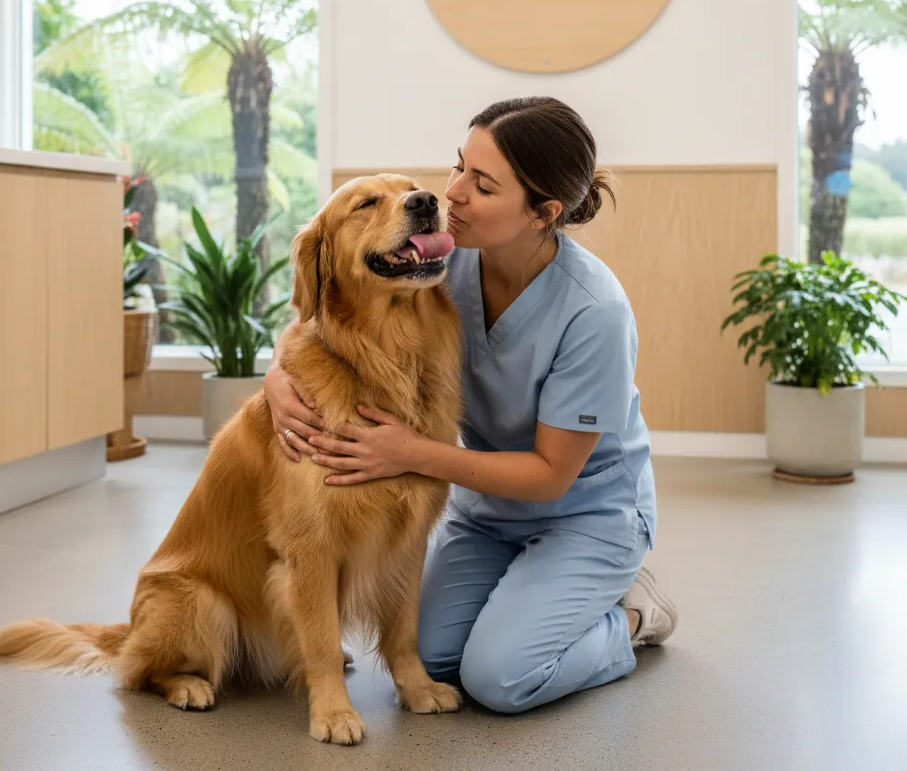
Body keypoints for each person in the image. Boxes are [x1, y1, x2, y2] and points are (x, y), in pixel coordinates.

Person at [262, 96, 677, 715]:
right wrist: (275, 376)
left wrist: (410, 453)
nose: (451, 193)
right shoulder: (440, 263)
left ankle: (634, 614)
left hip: (584, 513)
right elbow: (327, 303)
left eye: (482, 185)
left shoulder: (595, 313)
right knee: (428, 660)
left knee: (499, 678)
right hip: (487, 514)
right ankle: (533, 599)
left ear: (543, 213)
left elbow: (550, 475)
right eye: (458, 167)